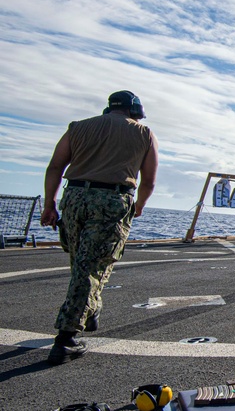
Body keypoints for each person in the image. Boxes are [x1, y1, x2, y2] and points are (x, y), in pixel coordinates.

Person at [40, 91, 158, 365]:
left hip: (74, 198)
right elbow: (149, 180)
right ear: (135, 110)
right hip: (112, 200)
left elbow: (55, 166)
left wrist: (49, 204)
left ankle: (89, 310)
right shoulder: (143, 133)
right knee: (92, 267)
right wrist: (138, 205)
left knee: (80, 261)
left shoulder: (78, 127)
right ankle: (66, 339)